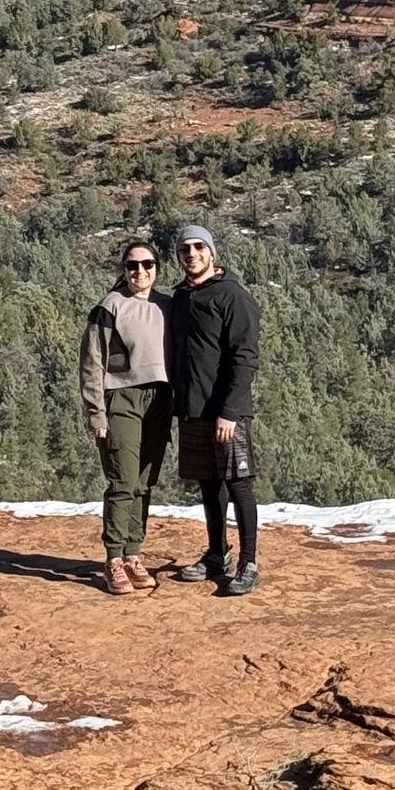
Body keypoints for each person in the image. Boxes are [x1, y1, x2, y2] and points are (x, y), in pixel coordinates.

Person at [166, 223, 262, 595]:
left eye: (198, 247)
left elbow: (244, 358)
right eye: (184, 249)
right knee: (209, 485)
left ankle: (249, 562)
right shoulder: (181, 297)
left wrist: (231, 411)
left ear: (212, 253)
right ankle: (216, 554)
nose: (191, 254)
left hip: (226, 411)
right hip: (193, 408)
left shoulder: (232, 296)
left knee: (239, 484)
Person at [78, 240, 172, 595]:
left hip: (160, 399)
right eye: (132, 266)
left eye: (147, 264)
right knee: (123, 480)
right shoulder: (109, 307)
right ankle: (113, 559)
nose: (140, 272)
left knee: (145, 482)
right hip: (122, 400)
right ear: (123, 270)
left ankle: (134, 554)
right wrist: (95, 412)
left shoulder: (168, 305)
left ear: (157, 268)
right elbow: (91, 363)